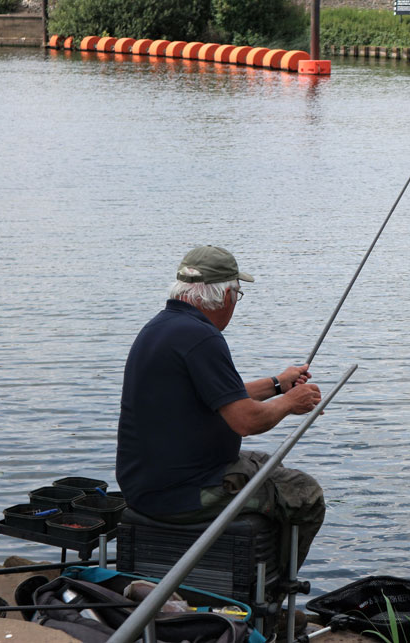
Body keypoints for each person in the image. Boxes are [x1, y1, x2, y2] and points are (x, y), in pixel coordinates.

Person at [115, 245, 326, 572]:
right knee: (304, 494)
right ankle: (275, 597)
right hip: (184, 494)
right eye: (237, 295)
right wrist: (290, 402)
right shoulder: (202, 338)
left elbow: (224, 396)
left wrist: (277, 384)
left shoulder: (161, 327)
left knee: (268, 464)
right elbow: (245, 421)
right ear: (226, 295)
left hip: (145, 484)